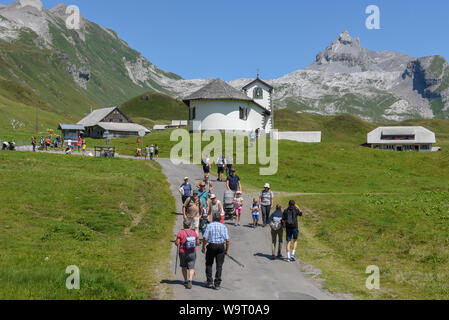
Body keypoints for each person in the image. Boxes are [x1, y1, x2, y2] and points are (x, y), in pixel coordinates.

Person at [202, 212, 230, 290]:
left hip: (211, 246)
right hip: (221, 246)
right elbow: (227, 240)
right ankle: (217, 284)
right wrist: (226, 250)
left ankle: (209, 282)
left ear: (213, 218)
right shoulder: (223, 227)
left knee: (209, 263)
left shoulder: (209, 226)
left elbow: (205, 238)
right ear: (220, 219)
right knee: (219, 265)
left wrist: (203, 247)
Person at [176, 219, 200, 289]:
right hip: (192, 252)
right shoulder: (194, 233)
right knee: (191, 267)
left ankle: (185, 280)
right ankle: (190, 279)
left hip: (182, 252)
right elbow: (198, 243)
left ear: (183, 225)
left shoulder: (180, 232)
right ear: (190, 225)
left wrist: (177, 242)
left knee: (184, 267)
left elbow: (177, 243)